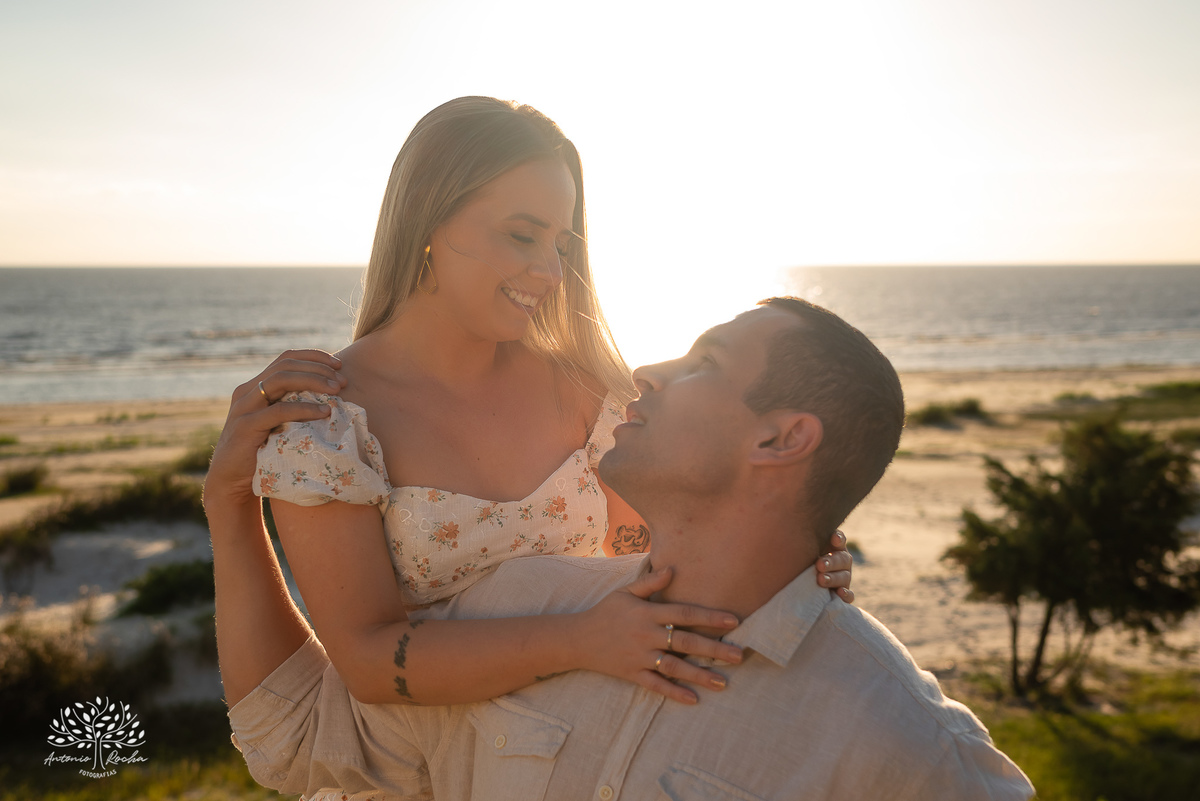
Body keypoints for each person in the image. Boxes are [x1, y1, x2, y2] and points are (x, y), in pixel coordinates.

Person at [222, 298, 1035, 800]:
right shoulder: (514, 605)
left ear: (783, 439)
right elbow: (300, 739)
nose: (644, 371)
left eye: (705, 363)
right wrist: (229, 499)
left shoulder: (896, 737)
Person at [204, 96, 854, 717]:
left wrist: (780, 556)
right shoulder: (328, 424)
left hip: (577, 748)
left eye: (561, 246)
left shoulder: (591, 395)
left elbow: (653, 573)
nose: (550, 271)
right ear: (428, 222)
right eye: (522, 235)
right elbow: (369, 663)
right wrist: (579, 641)